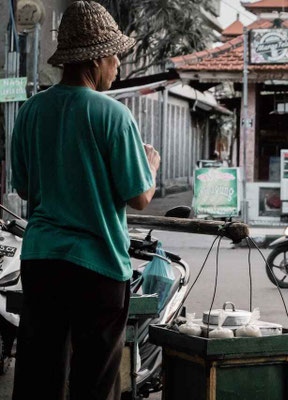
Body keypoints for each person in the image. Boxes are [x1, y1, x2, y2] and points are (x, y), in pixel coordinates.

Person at [10, 2, 160, 399]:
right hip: (98, 268)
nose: (118, 67)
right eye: (115, 57)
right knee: (92, 382)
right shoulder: (113, 115)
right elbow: (140, 197)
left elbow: (25, 189)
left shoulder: (30, 111)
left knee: (39, 378)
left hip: (41, 262)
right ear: (95, 59)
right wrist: (151, 164)